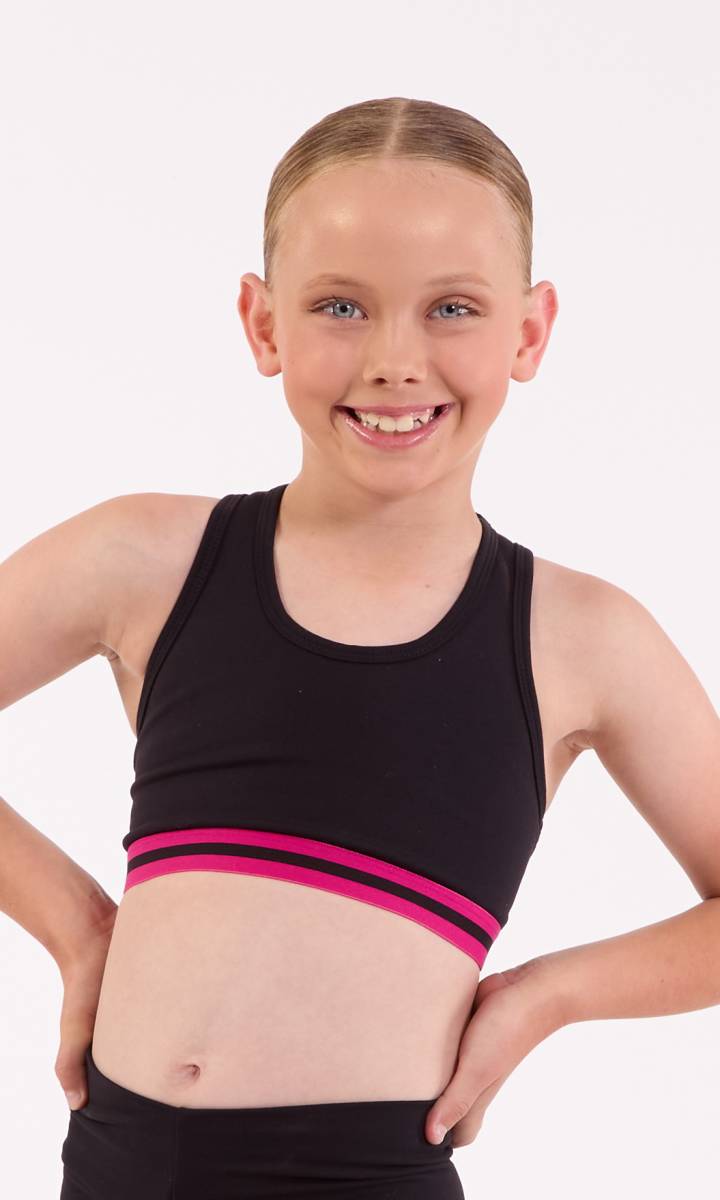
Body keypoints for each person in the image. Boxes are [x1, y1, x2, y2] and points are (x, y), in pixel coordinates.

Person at [2, 96, 719, 1199]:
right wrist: (75, 924)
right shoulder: (143, 557)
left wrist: (545, 998)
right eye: (341, 305)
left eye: (452, 309)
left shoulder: (582, 637)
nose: (395, 360)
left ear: (528, 332)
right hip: (118, 1168)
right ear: (262, 323)